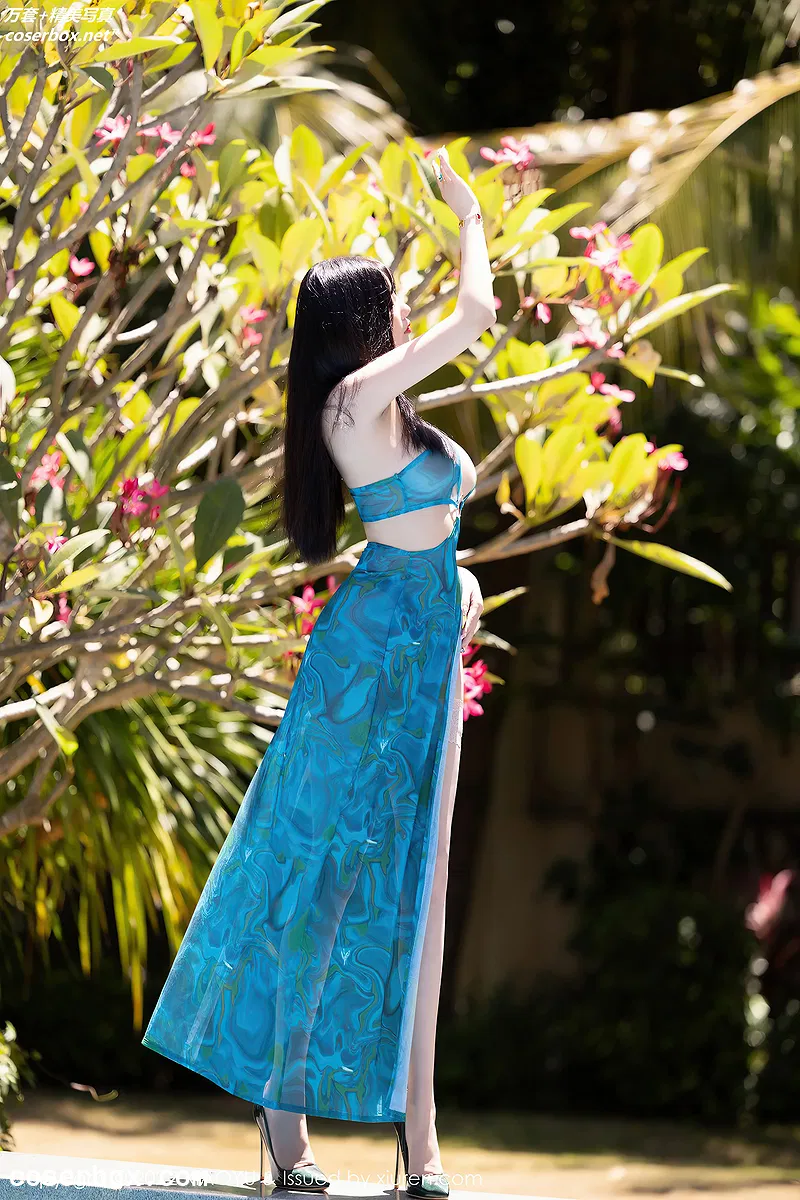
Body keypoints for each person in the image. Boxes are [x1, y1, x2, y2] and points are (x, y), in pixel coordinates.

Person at [141, 146, 494, 1197]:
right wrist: (467, 215)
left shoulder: (387, 409)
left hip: (424, 652)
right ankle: (287, 1131)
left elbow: (422, 531)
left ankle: (421, 1144)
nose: (403, 317)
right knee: (319, 881)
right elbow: (475, 313)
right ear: (358, 329)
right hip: (366, 662)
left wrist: (460, 578)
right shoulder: (346, 402)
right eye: (387, 307)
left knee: (420, 889)